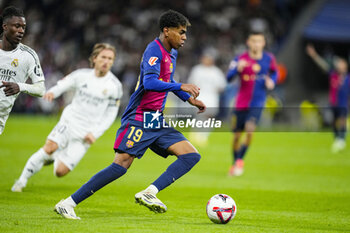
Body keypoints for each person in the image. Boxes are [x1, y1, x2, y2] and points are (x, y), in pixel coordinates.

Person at [54, 10, 206, 220]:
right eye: (181, 32)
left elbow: (166, 82)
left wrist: (187, 99)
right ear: (166, 30)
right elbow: (150, 83)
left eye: (185, 33)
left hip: (155, 118)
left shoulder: (172, 53)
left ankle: (150, 192)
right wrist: (182, 85)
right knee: (121, 165)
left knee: (191, 155)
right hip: (140, 115)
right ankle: (68, 203)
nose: (184, 37)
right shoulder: (154, 50)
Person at [11, 43, 122, 192]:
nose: (106, 61)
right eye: (103, 57)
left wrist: (95, 133)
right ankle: (21, 181)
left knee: (60, 172)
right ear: (95, 58)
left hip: (86, 132)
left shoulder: (115, 86)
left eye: (110, 59)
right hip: (70, 121)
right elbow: (64, 84)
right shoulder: (81, 75)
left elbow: (110, 115)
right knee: (49, 147)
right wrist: (52, 93)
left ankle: (53, 156)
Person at [226, 31, 278, 176]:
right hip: (240, 103)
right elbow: (228, 78)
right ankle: (235, 161)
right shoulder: (240, 58)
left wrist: (272, 81)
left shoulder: (269, 58)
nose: (256, 44)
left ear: (263, 43)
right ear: (248, 42)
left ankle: (239, 161)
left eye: (259, 41)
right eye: (253, 41)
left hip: (257, 102)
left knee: (249, 131)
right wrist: (237, 69)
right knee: (237, 136)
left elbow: (275, 73)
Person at [0, 6, 45, 135]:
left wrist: (20, 86)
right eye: (17, 26)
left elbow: (41, 89)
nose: (21, 31)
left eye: (23, 27)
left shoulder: (28, 56)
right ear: (5, 26)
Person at [306, 44, 349, 153]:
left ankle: (342, 139)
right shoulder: (333, 74)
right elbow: (322, 65)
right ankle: (337, 139)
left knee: (342, 121)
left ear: (345, 66)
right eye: (338, 63)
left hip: (344, 104)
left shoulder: (348, 78)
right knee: (334, 122)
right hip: (333, 103)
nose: (339, 65)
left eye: (341, 63)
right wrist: (314, 55)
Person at [187, 52, 226, 146]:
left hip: (212, 97)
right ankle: (197, 135)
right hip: (200, 96)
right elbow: (191, 83)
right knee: (200, 116)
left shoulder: (216, 72)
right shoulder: (197, 70)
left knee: (209, 117)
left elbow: (222, 86)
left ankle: (202, 136)